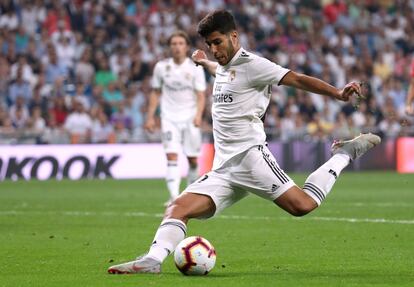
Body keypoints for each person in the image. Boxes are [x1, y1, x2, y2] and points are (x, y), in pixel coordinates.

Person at [108, 10, 381, 274]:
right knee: (177, 208)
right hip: (224, 168)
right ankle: (152, 260)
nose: (215, 49)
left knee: (303, 205)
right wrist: (205, 62)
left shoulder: (254, 65)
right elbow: (224, 72)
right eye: (210, 44)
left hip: (252, 159)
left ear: (234, 37)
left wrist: (336, 93)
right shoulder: (224, 67)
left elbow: (296, 78)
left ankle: (343, 154)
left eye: (218, 42)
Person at [144, 31, 207, 205]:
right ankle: (174, 197)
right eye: (174, 44)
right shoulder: (161, 67)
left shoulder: (195, 67)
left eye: (180, 43)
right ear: (170, 47)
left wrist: (198, 116)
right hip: (169, 118)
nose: (177, 47)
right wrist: (150, 117)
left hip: (190, 118)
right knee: (171, 156)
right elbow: (155, 93)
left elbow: (201, 95)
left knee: (192, 159)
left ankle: (190, 194)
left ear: (186, 47)